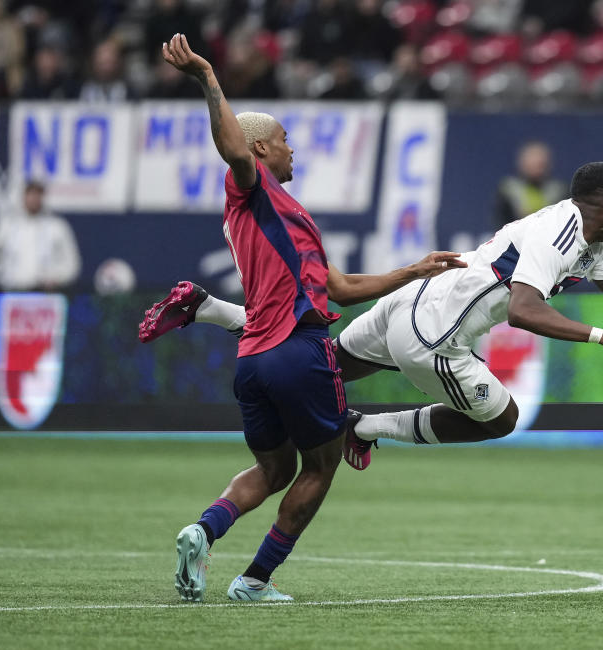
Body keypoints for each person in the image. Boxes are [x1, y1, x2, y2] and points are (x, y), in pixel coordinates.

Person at [141, 162, 603, 471]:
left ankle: (211, 308)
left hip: (411, 300)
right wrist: (602, 336)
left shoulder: (595, 240)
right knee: (501, 418)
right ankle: (364, 431)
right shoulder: (562, 230)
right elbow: (524, 311)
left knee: (316, 363)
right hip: (436, 334)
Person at [156, 33, 464, 604]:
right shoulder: (253, 188)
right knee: (321, 467)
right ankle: (254, 580)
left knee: (273, 471)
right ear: (263, 150)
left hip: (252, 357)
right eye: (285, 140)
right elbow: (234, 149)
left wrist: (414, 271)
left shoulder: (286, 214)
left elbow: (340, 289)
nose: (292, 150)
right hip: (300, 350)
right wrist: (207, 78)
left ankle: (204, 530)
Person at [0, 181, 80, 291]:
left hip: (45, 292)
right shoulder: (7, 226)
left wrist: (57, 278)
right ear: (23, 196)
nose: (33, 199)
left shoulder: (56, 226)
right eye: (30, 194)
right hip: (12, 291)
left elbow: (72, 264)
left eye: (37, 195)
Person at [492, 141, 567, 230]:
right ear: (522, 164)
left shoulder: (559, 190)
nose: (537, 169)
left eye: (540, 164)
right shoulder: (508, 190)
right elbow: (501, 223)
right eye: (532, 163)